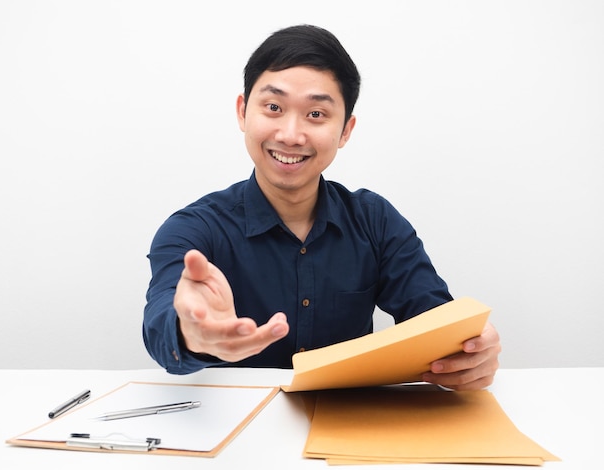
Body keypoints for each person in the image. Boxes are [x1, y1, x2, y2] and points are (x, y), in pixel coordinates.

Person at [143, 24, 501, 391]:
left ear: (346, 130)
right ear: (242, 111)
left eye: (316, 114)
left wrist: (469, 351)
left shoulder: (375, 222)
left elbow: (436, 323)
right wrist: (191, 333)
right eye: (273, 107)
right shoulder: (193, 229)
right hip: (236, 435)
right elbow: (161, 324)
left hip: (350, 429)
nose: (291, 135)